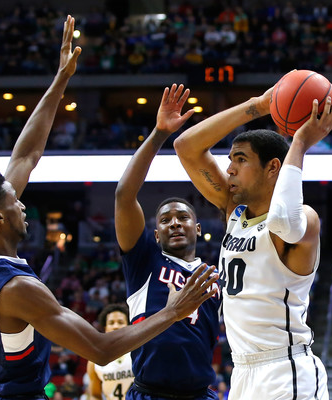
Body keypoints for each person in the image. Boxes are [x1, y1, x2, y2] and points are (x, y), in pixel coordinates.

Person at [0, 17, 217, 400]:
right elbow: (102, 349)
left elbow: (26, 154)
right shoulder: (19, 289)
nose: (23, 205)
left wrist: (60, 80)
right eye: (14, 203)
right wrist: (175, 311)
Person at [174, 78, 332, 399]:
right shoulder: (236, 213)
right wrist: (259, 106)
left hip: (285, 369)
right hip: (242, 371)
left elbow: (283, 221)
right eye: (230, 160)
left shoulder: (306, 219)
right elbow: (186, 146)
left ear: (272, 167)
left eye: (241, 159)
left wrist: (300, 142)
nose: (230, 169)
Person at [115, 84, 222, 400]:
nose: (174, 222)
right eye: (165, 220)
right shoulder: (144, 259)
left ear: (198, 227)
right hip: (151, 392)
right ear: (156, 233)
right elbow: (124, 195)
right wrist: (160, 133)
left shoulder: (214, 275)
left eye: (182, 217)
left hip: (200, 393)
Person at [86, 304, 134, 400]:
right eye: (111, 323)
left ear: (128, 325)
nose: (115, 326)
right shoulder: (94, 360)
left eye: (120, 322)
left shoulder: (139, 351)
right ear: (105, 327)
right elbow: (95, 394)